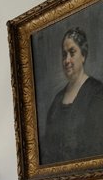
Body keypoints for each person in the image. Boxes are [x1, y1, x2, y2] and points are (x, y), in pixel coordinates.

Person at [42, 27, 103, 164]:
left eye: (72, 52)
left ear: (83, 56)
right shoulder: (57, 99)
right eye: (64, 54)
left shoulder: (97, 93)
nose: (67, 60)